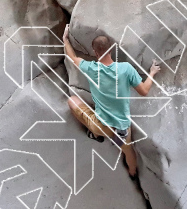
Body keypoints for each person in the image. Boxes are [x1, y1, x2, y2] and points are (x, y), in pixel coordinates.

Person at [62, 24, 161, 179]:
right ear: (111, 49)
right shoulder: (125, 69)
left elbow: (73, 58)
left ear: (95, 52)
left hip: (101, 126)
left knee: (72, 100)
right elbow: (144, 91)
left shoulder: (90, 68)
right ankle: (132, 173)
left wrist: (66, 40)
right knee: (128, 151)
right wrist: (152, 73)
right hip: (121, 128)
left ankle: (95, 135)